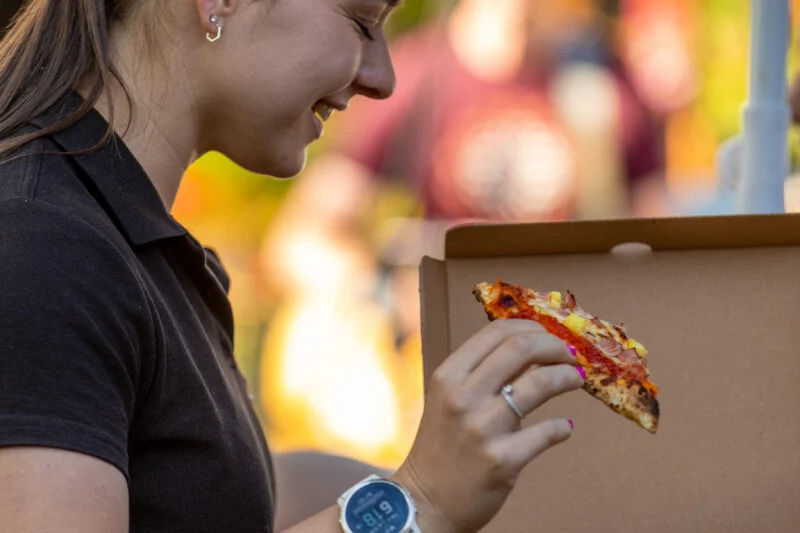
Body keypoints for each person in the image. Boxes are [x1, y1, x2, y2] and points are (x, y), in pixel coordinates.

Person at [0, 1, 585, 533]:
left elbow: (210, 499)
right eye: (361, 23)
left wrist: (463, 472)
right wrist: (415, 506)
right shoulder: (47, 247)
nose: (381, 79)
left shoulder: (128, 244)